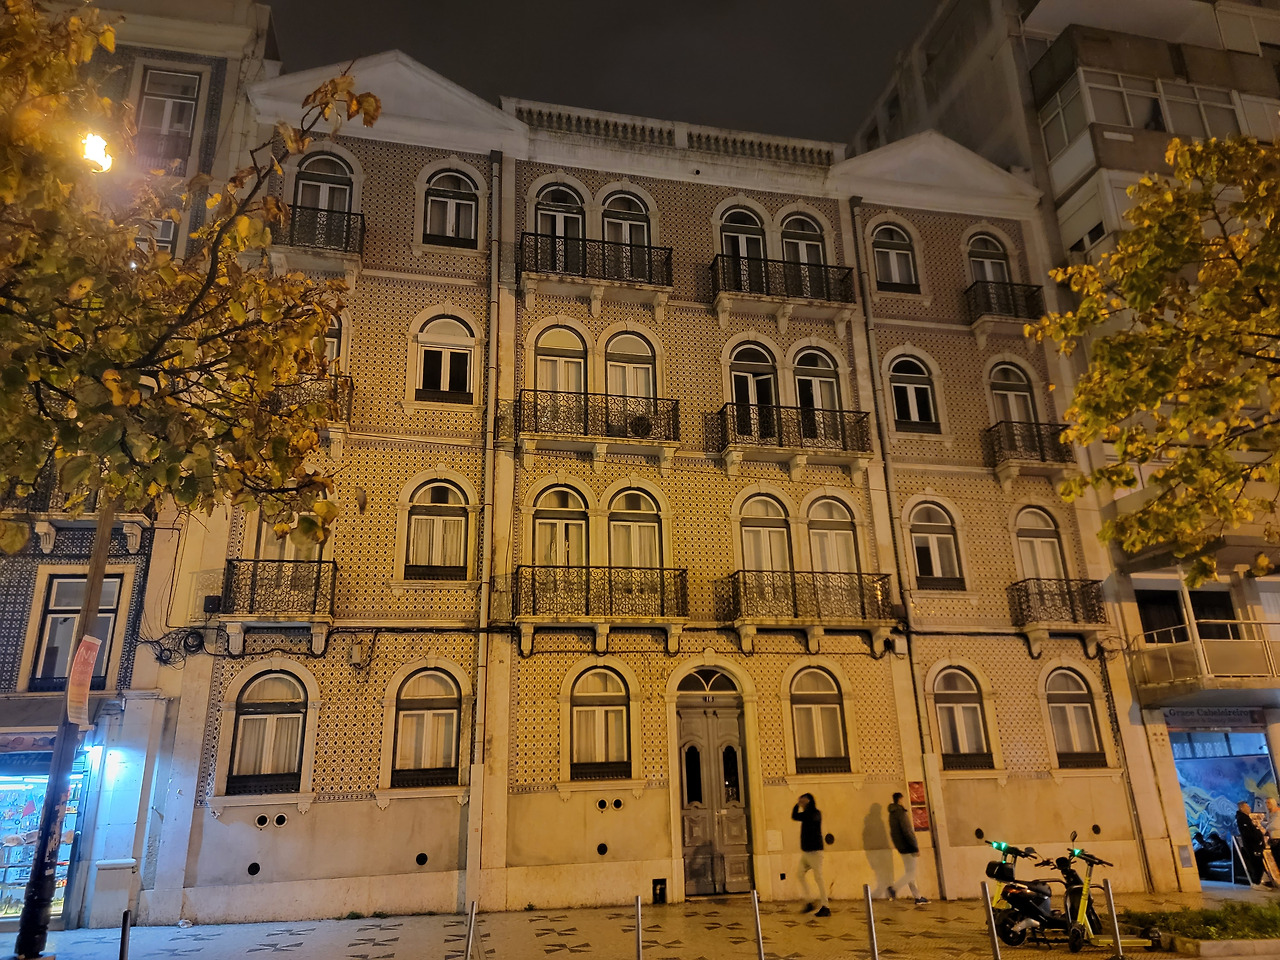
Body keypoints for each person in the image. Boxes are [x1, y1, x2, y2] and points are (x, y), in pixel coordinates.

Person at [791, 793, 830, 917]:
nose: (802, 804)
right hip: (806, 852)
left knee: (818, 878)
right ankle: (809, 902)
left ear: (809, 801)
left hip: (815, 851)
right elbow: (794, 816)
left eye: (804, 801)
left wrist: (805, 805)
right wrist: (797, 805)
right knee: (800, 874)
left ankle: (825, 906)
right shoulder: (806, 814)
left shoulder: (815, 813)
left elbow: (809, 817)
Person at [887, 792, 929, 904]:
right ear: (900, 799)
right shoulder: (901, 813)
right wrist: (915, 847)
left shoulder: (892, 814)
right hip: (908, 847)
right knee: (910, 873)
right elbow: (908, 831)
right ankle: (894, 889)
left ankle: (918, 897)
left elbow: (893, 832)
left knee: (910, 872)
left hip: (901, 847)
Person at [1235, 800, 1267, 885]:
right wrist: (1257, 838)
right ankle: (1256, 882)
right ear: (1242, 808)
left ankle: (1258, 881)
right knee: (1257, 864)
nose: (1249, 808)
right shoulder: (1242, 819)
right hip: (1252, 846)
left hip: (1255, 844)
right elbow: (1247, 833)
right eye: (1247, 807)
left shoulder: (1247, 818)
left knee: (1258, 863)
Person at [1265, 798, 1280, 880]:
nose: (1267, 805)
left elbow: (1275, 825)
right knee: (1276, 859)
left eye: (1268, 803)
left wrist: (1266, 827)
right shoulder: (1270, 814)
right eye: (1266, 803)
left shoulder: (1278, 812)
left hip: (1278, 838)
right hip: (1272, 839)